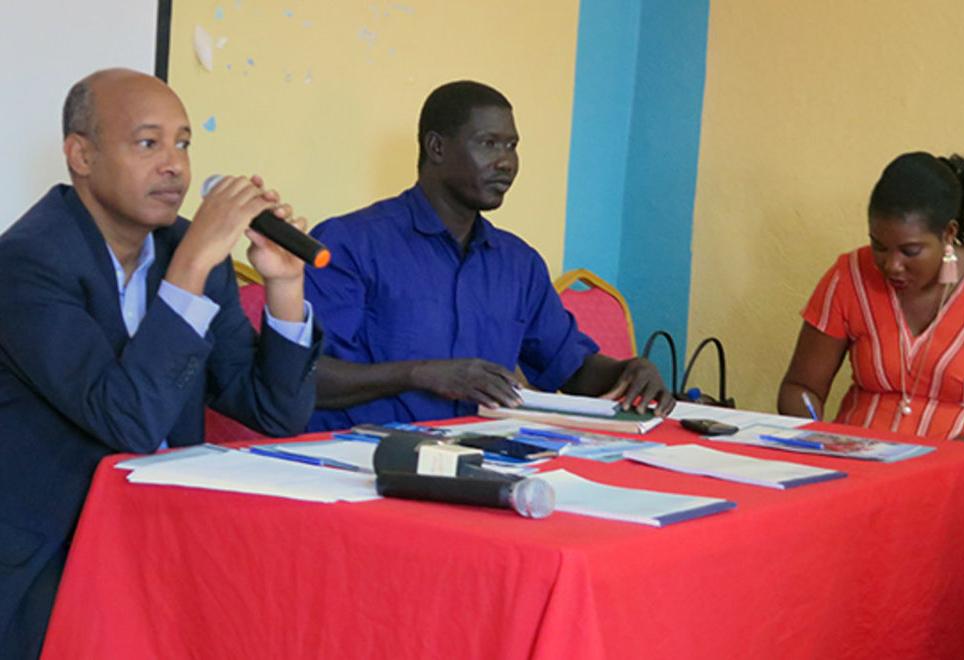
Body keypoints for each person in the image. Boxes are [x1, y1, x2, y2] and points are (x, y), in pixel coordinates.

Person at [0, 69, 321, 657]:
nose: (174, 165)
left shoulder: (188, 252)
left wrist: (284, 285)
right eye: (148, 143)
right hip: (46, 553)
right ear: (81, 156)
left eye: (184, 143)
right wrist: (190, 269)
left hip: (161, 539)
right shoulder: (26, 263)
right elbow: (125, 418)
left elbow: (276, 411)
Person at [305, 80, 673, 430]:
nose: (506, 162)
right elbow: (303, 377)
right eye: (489, 143)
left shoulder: (518, 263)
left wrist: (629, 372)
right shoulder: (350, 243)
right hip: (361, 457)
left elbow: (570, 368)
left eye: (511, 146)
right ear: (436, 148)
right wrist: (421, 374)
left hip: (481, 456)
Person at [778, 151, 964, 442]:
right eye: (879, 247)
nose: (892, 265)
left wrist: (945, 461)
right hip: (853, 459)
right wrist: (815, 436)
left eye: (910, 251)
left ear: (948, 233)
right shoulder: (850, 276)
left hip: (961, 462)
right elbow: (801, 387)